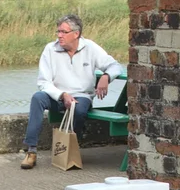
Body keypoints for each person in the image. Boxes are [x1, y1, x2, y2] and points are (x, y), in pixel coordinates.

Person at [20, 14, 122, 169]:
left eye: (64, 32)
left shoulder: (90, 47)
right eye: (58, 32)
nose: (59, 35)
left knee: (79, 110)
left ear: (76, 34)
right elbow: (43, 82)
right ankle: (31, 151)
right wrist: (62, 95)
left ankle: (70, 149)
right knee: (37, 98)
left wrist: (106, 77)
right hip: (56, 96)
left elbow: (115, 66)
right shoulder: (50, 49)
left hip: (82, 96)